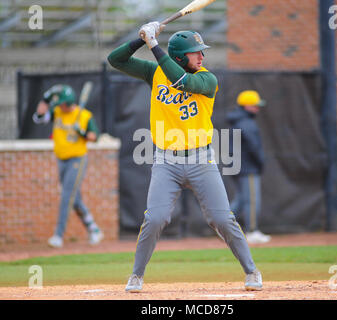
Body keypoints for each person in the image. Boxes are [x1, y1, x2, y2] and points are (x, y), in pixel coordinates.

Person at [107, 22, 262, 292]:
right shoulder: (154, 72)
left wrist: (154, 44)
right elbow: (115, 60)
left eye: (201, 51)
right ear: (179, 56)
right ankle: (136, 275)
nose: (201, 56)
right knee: (155, 219)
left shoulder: (207, 78)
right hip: (166, 161)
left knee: (222, 219)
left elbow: (181, 81)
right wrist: (140, 39)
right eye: (195, 52)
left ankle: (251, 271)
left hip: (201, 160)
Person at [33, 84, 104, 248]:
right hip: (61, 159)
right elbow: (39, 116)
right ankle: (94, 229)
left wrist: (83, 133)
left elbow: (95, 137)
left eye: (63, 104)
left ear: (69, 102)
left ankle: (58, 235)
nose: (60, 107)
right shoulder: (57, 112)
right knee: (75, 198)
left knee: (66, 196)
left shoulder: (84, 115)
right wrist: (46, 98)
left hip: (77, 160)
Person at [227, 90, 271, 244]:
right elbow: (254, 147)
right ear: (246, 106)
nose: (257, 108)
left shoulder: (238, 121)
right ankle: (252, 231)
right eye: (255, 105)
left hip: (238, 167)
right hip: (247, 168)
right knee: (251, 201)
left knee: (241, 200)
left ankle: (222, 225)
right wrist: (260, 162)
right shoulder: (246, 123)